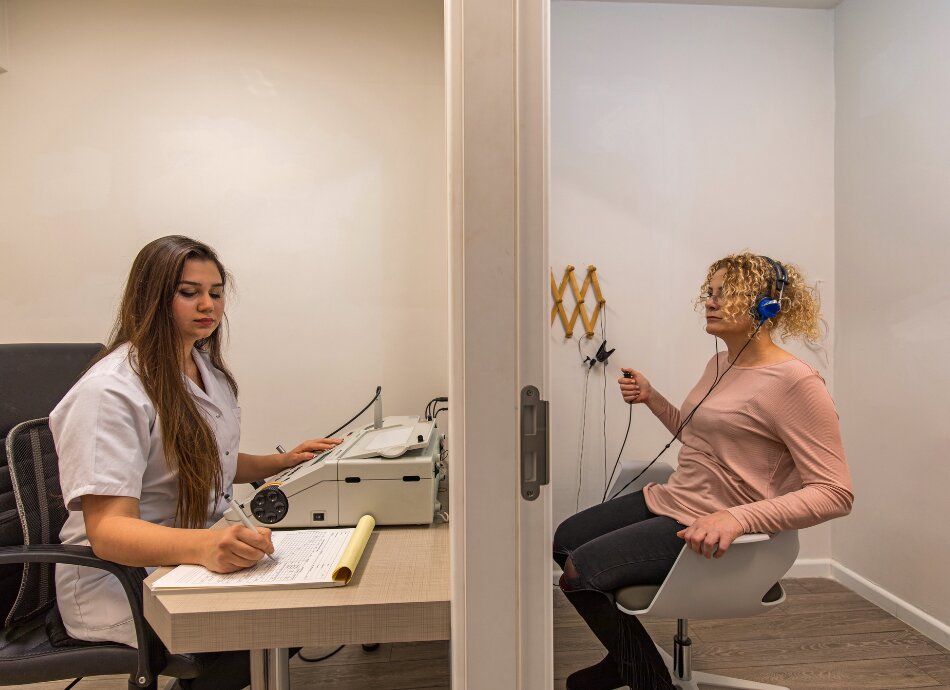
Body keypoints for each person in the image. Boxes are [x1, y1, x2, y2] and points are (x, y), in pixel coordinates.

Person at [50, 236, 342, 690]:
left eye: (216, 292)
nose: (207, 304)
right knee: (273, 625)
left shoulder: (204, 370)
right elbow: (108, 531)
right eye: (189, 292)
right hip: (123, 580)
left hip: (183, 557)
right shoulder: (109, 392)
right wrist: (205, 547)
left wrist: (281, 461)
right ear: (151, 296)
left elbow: (209, 463)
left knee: (298, 602)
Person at [552, 253, 854, 690]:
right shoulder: (720, 365)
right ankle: (628, 656)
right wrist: (653, 398)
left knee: (580, 571)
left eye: (725, 293)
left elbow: (835, 491)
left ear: (766, 305)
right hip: (676, 499)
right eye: (709, 293)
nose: (710, 302)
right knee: (564, 538)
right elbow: (701, 440)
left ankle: (646, 678)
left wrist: (737, 516)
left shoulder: (795, 383)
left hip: (710, 523)